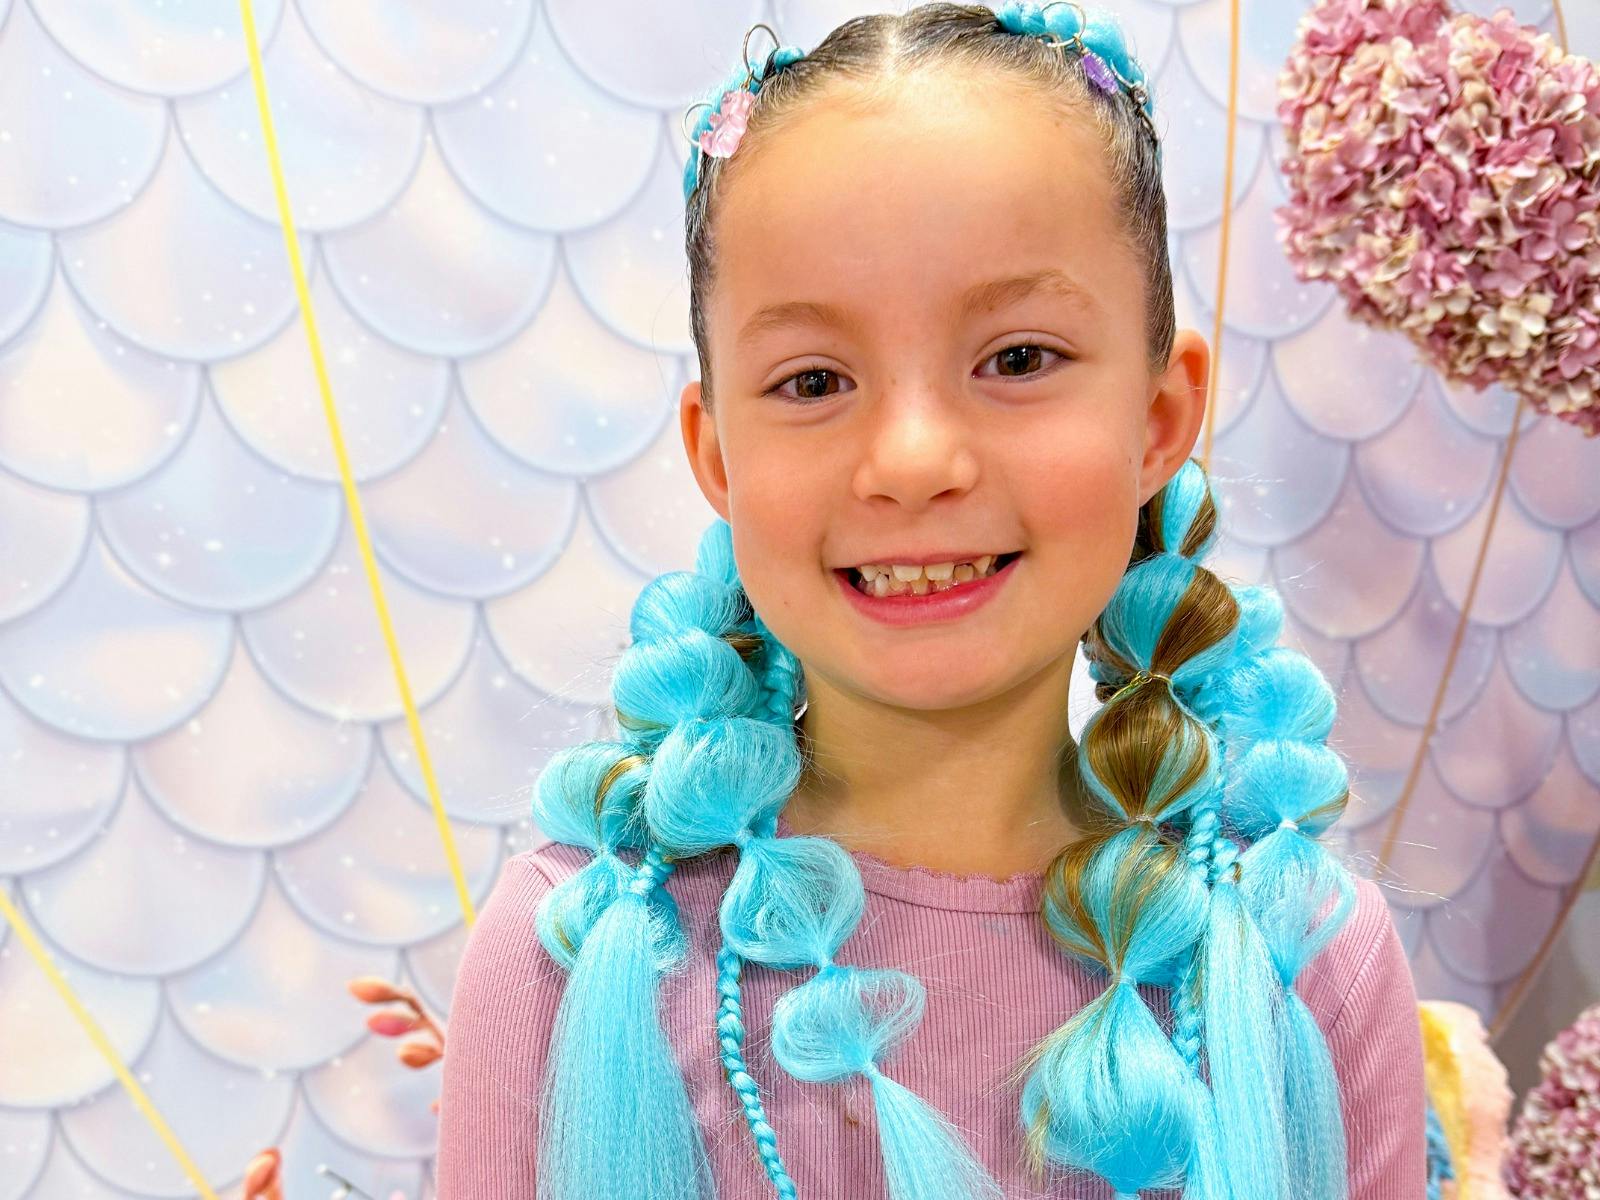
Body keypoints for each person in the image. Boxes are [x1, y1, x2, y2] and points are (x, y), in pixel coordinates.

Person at [432, 3, 1427, 1197]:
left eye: (1016, 360)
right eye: (813, 380)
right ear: (717, 455)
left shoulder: (1302, 956)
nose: (911, 458)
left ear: (1158, 419)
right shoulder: (579, 949)